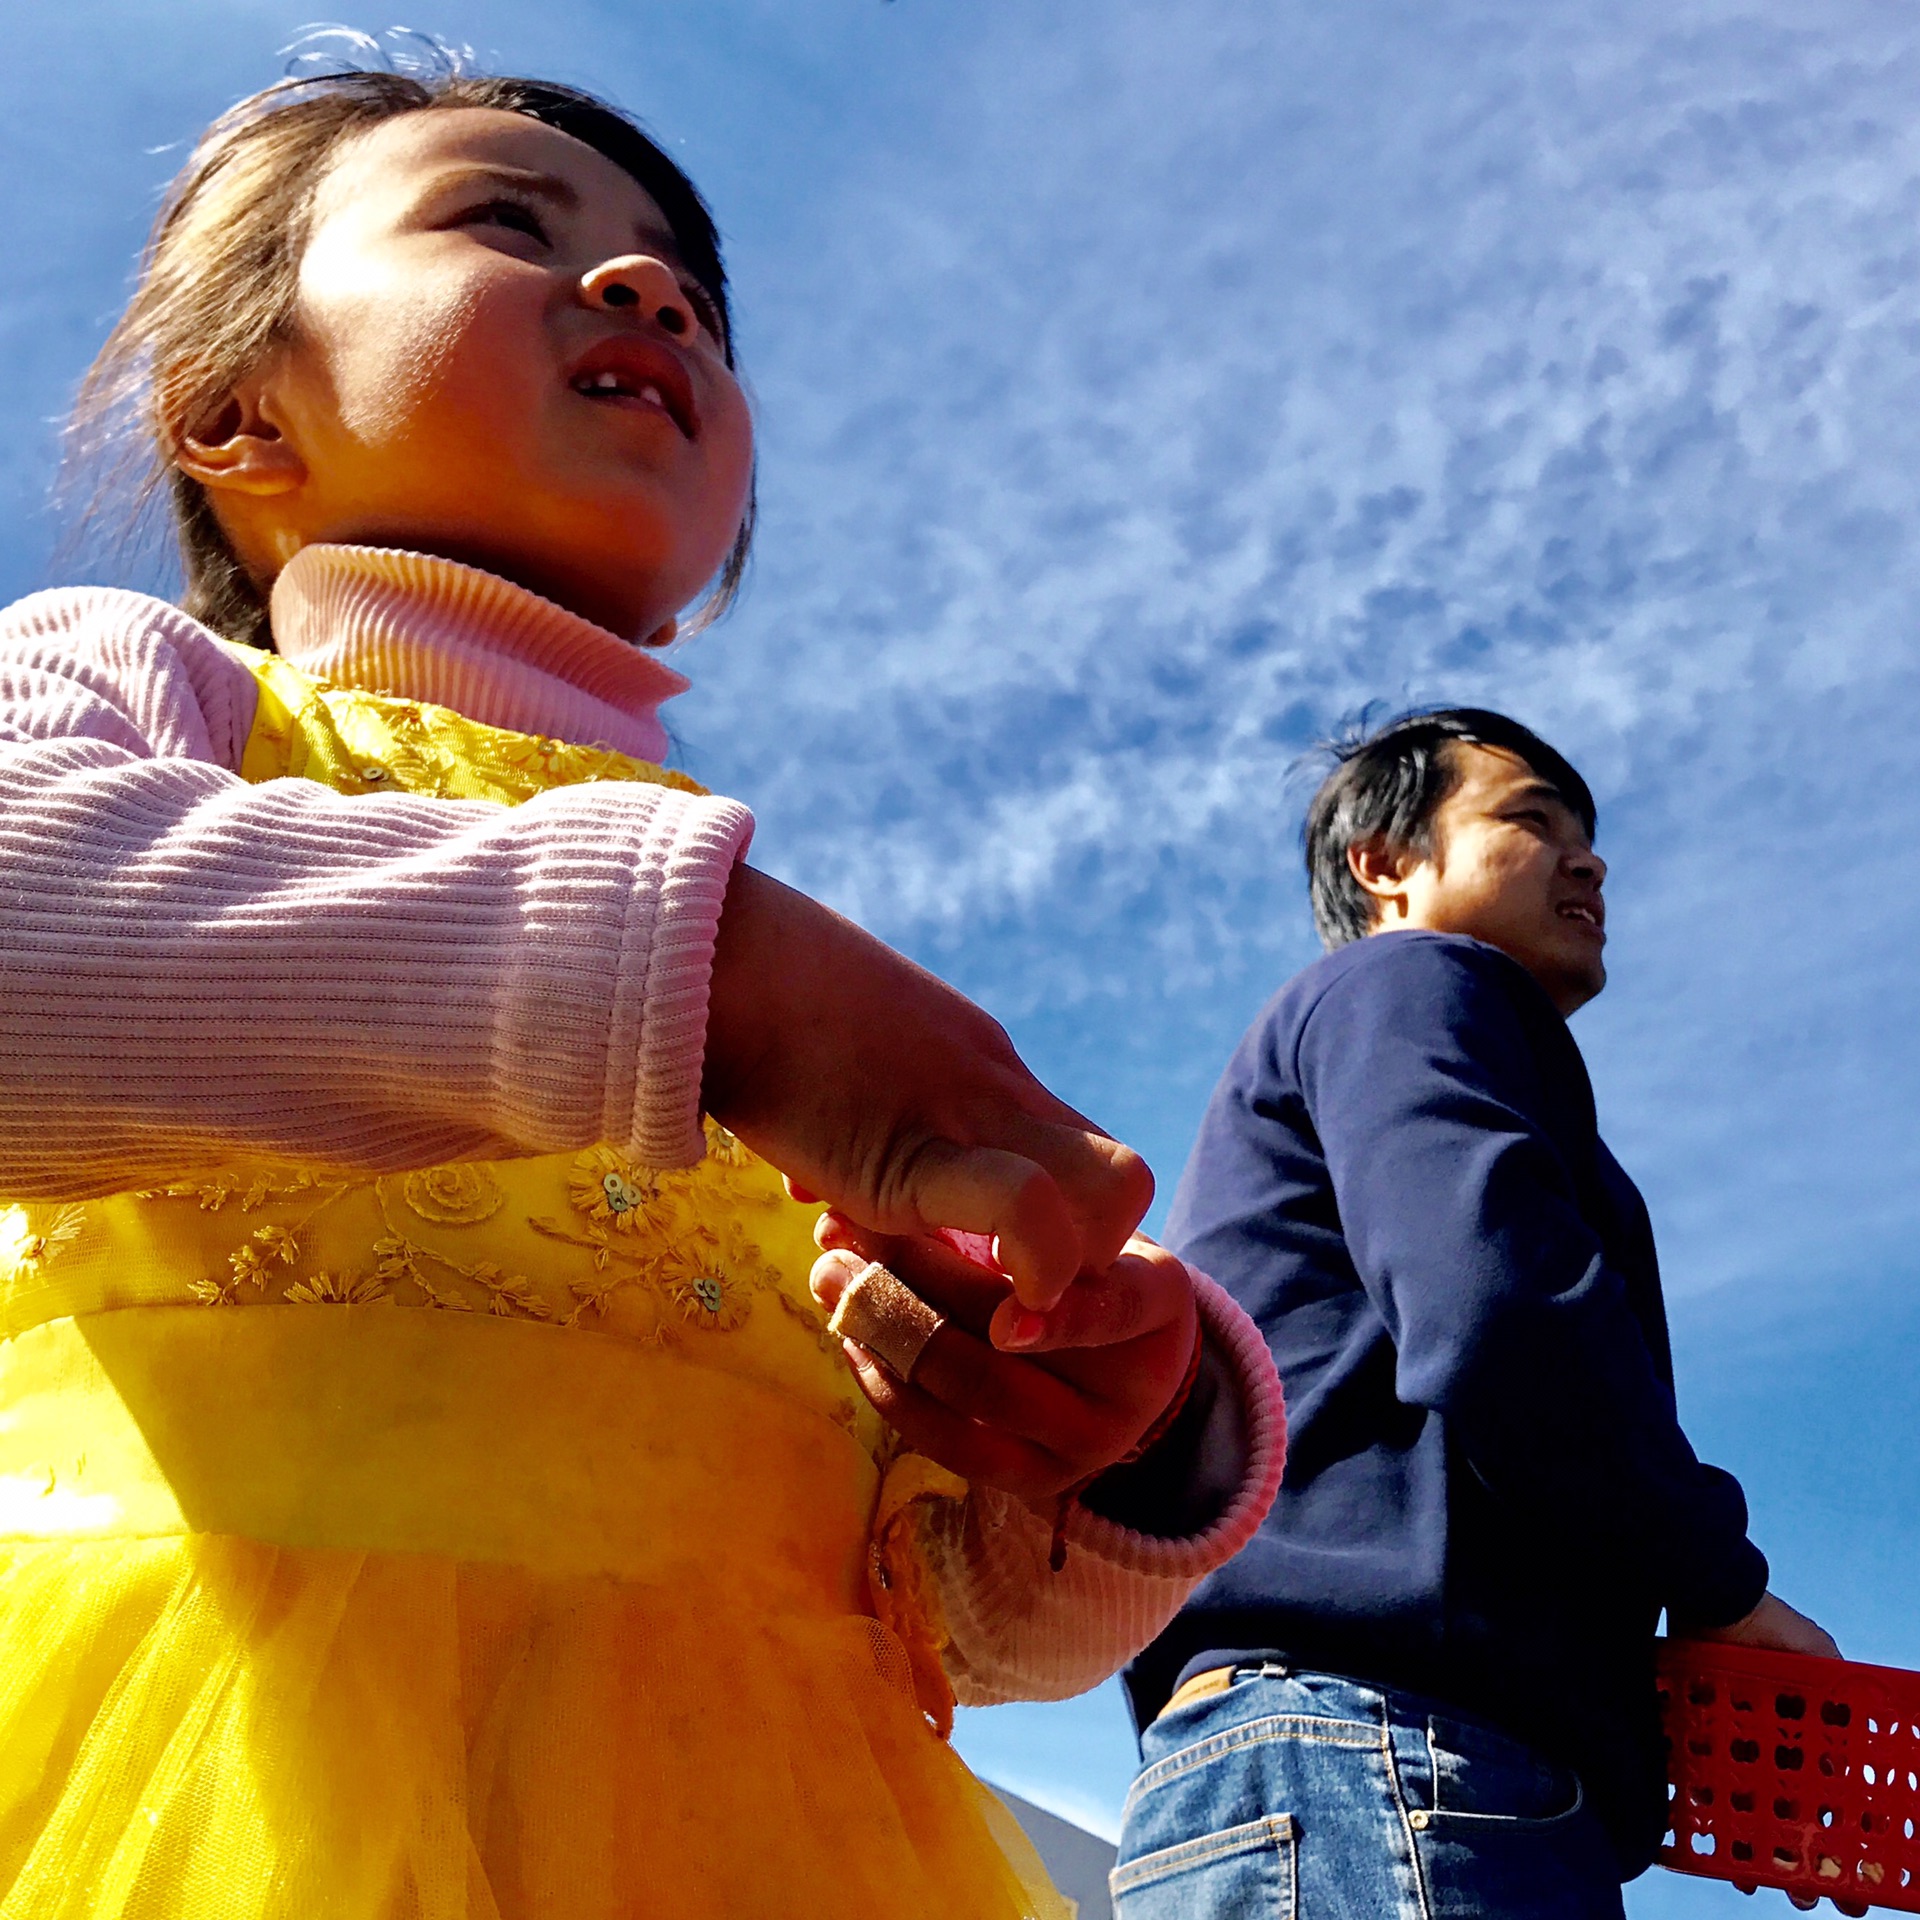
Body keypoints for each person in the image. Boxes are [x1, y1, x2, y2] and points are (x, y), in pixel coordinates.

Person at [0, 59, 1285, 1920]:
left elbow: (934, 1621)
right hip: (183, 1769)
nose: (646, 291)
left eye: (684, 280)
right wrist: (712, 982)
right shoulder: (151, 697)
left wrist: (1104, 1445)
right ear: (230, 411)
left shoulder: (767, 955)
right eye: (503, 223)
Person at [1112, 708, 1835, 1918]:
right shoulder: (1415, 980)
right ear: (1386, 866)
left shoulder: (1377, 1027)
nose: (1587, 859)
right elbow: (1498, 1308)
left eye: (1589, 835)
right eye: (1528, 819)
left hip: (1333, 1767)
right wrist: (1722, 1589)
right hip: (1388, 1760)